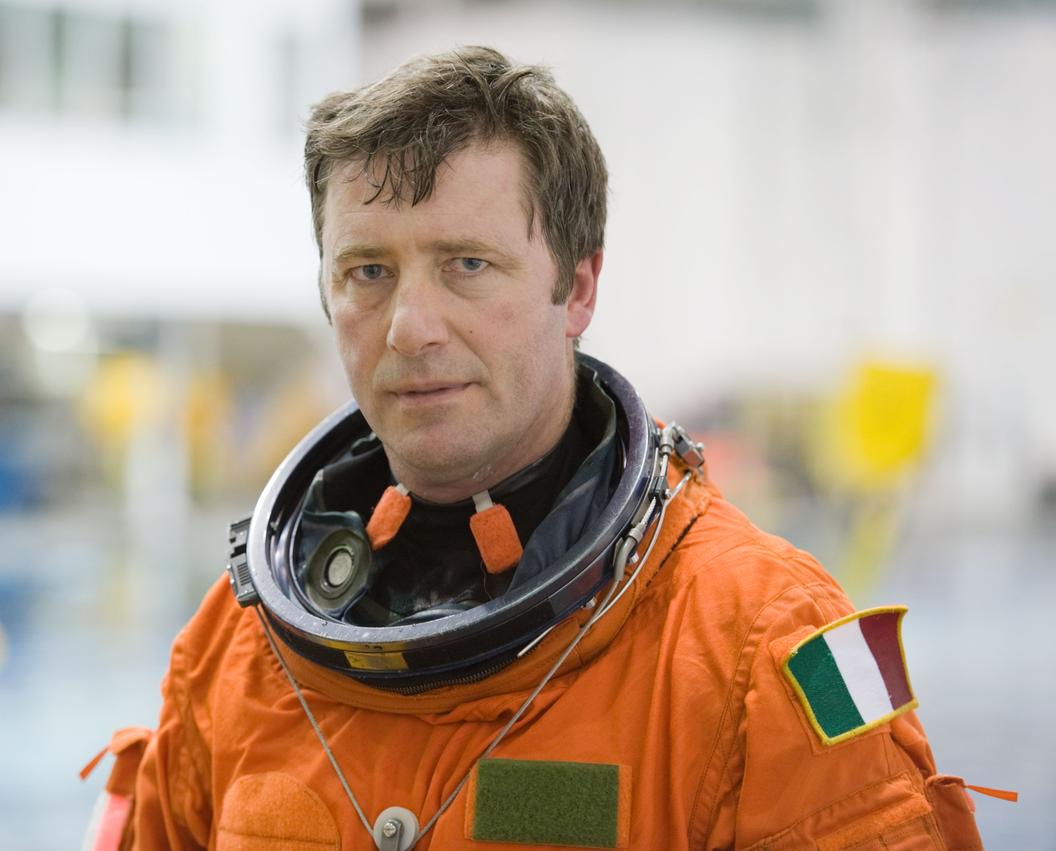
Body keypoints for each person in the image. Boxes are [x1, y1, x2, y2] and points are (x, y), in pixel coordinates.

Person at [81, 47, 990, 850]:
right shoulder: (233, 647)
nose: (409, 327)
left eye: (467, 264)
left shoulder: (771, 647)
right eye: (368, 271)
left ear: (579, 286)